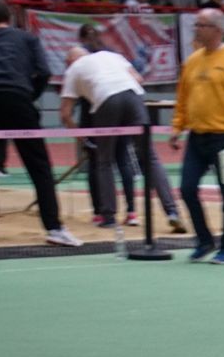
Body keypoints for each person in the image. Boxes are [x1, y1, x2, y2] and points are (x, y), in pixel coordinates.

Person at [0, 0, 80, 246]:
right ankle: (54, 228)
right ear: (9, 17)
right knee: (39, 166)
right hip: (19, 98)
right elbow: (45, 72)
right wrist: (30, 95)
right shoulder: (28, 39)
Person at [60, 39, 185, 232]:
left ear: (70, 61)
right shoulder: (111, 55)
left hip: (105, 100)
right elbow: (138, 79)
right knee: (150, 157)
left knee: (104, 161)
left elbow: (65, 114)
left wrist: (82, 138)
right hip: (133, 96)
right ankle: (172, 212)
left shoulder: (73, 70)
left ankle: (109, 216)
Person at [171, 7, 224, 264]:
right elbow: (183, 98)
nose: (196, 29)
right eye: (196, 25)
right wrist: (177, 127)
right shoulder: (192, 61)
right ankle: (204, 241)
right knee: (187, 189)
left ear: (217, 30)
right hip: (197, 137)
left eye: (201, 25)